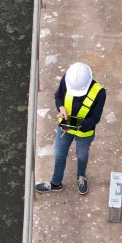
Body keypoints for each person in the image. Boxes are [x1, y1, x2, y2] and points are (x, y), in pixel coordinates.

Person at [35, 62, 106, 195]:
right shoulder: (68, 80)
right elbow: (59, 96)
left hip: (84, 132)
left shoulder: (99, 92)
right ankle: (56, 183)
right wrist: (61, 108)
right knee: (59, 155)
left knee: (82, 156)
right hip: (64, 128)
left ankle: (81, 176)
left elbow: (95, 118)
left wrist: (76, 124)